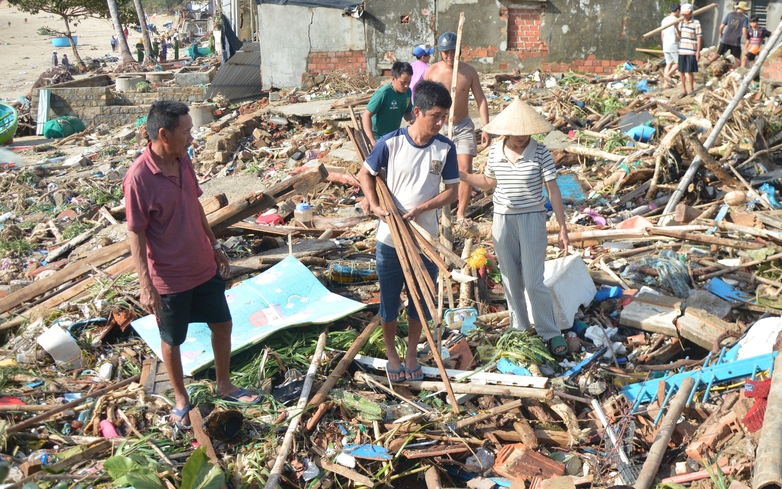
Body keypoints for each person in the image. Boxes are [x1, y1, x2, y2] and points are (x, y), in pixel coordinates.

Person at [123, 101, 260, 430]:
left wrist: (214, 245)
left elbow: (195, 204)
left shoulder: (183, 159)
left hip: (203, 266)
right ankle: (181, 398)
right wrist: (146, 285)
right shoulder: (138, 178)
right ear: (163, 134)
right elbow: (136, 234)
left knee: (222, 325)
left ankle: (224, 384)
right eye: (186, 132)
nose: (191, 138)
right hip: (170, 278)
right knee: (172, 340)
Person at [358, 80, 459, 381]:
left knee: (421, 302)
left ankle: (412, 353)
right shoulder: (389, 143)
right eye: (435, 116)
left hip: (425, 240)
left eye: (444, 117)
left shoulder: (445, 148)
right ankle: (392, 354)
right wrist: (375, 204)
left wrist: (423, 207)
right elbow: (365, 174)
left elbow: (452, 191)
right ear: (417, 112)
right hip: (390, 239)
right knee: (389, 303)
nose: (440, 123)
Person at [458, 98, 570, 356]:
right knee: (509, 277)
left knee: (533, 280)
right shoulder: (495, 152)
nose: (521, 137)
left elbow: (553, 190)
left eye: (525, 132)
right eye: (516, 133)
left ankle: (549, 331)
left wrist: (562, 227)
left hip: (532, 218)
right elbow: (488, 181)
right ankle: (520, 327)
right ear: (506, 131)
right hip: (502, 219)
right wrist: (462, 175)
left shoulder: (540, 152)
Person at [424, 31, 490, 228]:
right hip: (439, 126)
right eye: (446, 52)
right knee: (434, 168)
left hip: (463, 126)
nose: (450, 56)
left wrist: (486, 127)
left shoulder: (468, 72)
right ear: (441, 52)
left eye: (454, 52)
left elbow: (481, 99)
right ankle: (434, 209)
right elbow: (422, 100)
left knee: (465, 169)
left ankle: (461, 213)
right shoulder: (432, 72)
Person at [362, 61, 414, 146]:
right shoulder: (383, 93)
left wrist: (412, 119)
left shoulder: (408, 92)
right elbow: (366, 115)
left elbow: (407, 112)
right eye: (403, 82)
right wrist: (372, 139)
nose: (406, 86)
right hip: (379, 138)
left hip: (393, 136)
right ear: (393, 79)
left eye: (409, 82)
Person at [711, 1, 749, 68]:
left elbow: (721, 27)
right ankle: (734, 71)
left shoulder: (730, 14)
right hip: (735, 42)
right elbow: (744, 31)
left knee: (718, 54)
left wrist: (721, 34)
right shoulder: (744, 18)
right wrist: (747, 39)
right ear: (743, 9)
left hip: (725, 39)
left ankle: (708, 63)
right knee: (738, 60)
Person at [675, 3, 701, 99]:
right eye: (684, 14)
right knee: (681, 71)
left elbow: (699, 38)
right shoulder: (681, 23)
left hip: (691, 50)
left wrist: (698, 51)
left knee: (689, 71)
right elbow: (680, 36)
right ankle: (683, 90)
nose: (685, 16)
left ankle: (691, 89)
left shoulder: (696, 23)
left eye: (687, 14)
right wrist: (676, 27)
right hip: (682, 50)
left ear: (691, 13)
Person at [661, 4, 680, 88]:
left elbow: (662, 34)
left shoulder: (664, 20)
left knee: (668, 64)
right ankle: (668, 75)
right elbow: (678, 35)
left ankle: (666, 84)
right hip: (673, 44)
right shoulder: (676, 20)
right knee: (680, 62)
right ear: (678, 10)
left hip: (665, 44)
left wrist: (664, 44)